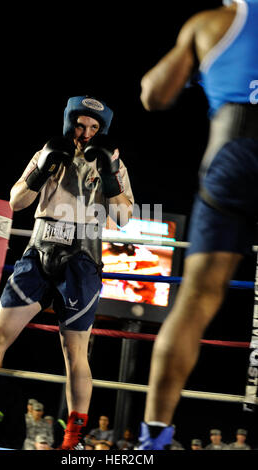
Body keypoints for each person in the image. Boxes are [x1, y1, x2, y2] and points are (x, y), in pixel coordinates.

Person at [0, 95, 134, 450]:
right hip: (39, 251)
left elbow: (125, 218)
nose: (85, 133)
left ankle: (73, 438)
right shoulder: (48, 151)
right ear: (71, 124)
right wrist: (42, 169)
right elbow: (16, 201)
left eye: (93, 128)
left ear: (101, 131)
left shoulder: (112, 160)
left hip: (81, 259)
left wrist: (111, 177)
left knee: (75, 353)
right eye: (81, 125)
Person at [138, 0, 258, 450]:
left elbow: (154, 95)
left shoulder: (213, 23)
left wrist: (196, 64)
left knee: (196, 298)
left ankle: (153, 440)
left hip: (231, 150)